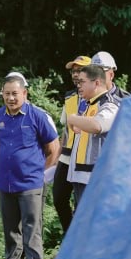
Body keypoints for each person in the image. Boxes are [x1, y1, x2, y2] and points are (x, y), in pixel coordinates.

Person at [0, 72, 61, 259]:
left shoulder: (37, 116)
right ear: (2, 94)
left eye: (15, 94)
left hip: (30, 184)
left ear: (24, 93)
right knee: (11, 228)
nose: (11, 98)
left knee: (32, 230)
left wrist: (41, 173)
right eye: (7, 94)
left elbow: (54, 148)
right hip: (5, 183)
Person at [65, 63, 120, 209]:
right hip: (81, 175)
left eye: (82, 81)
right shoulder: (88, 104)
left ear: (96, 83)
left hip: (95, 178)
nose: (78, 85)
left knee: (93, 224)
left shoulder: (109, 104)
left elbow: (97, 125)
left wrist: (72, 118)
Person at [54, 56, 92, 233]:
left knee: (80, 203)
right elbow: (66, 130)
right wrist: (57, 157)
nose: (76, 75)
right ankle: (70, 236)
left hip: (85, 156)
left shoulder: (95, 98)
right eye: (73, 71)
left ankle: (77, 241)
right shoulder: (69, 96)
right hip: (67, 155)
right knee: (58, 197)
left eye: (80, 70)